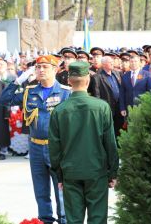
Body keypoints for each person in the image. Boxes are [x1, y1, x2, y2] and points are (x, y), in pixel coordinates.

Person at [0, 55, 70, 224]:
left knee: (61, 189)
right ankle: (45, 220)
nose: (41, 70)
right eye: (38, 67)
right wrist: (18, 81)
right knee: (40, 189)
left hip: (57, 148)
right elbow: (4, 100)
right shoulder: (30, 92)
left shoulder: (66, 92)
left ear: (55, 69)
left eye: (45, 67)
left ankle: (64, 220)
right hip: (36, 147)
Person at [48, 61, 119, 224]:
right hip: (97, 171)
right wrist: (113, 172)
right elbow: (110, 143)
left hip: (70, 172)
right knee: (98, 218)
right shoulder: (102, 107)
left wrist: (59, 175)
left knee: (73, 219)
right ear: (88, 80)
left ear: (68, 81)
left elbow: (54, 148)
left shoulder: (59, 110)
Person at [90, 56, 124, 140]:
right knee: (109, 132)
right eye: (110, 62)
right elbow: (97, 96)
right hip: (108, 108)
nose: (112, 63)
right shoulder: (97, 77)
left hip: (119, 108)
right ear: (104, 64)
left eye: (112, 62)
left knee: (119, 130)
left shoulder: (117, 73)